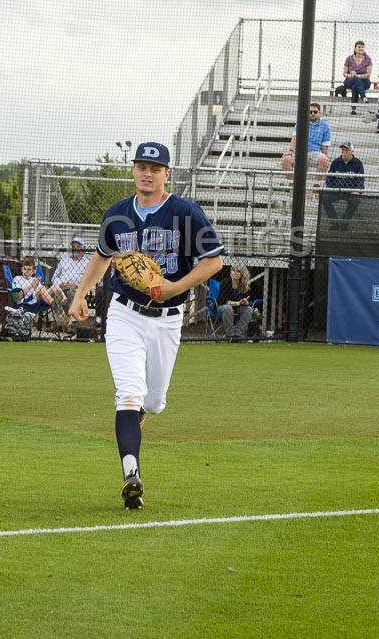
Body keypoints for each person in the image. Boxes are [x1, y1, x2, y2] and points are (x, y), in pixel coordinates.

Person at [67, 141, 224, 510]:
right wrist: (80, 294)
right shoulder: (117, 214)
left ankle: (138, 416)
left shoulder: (185, 213)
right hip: (123, 313)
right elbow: (102, 257)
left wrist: (174, 286)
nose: (147, 173)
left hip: (168, 319)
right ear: (133, 171)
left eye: (155, 168)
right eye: (141, 166)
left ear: (167, 173)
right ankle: (131, 474)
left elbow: (214, 262)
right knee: (128, 393)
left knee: (153, 403)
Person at [322, 140, 365, 226]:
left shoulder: (358, 163)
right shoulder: (336, 162)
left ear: (351, 151)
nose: (344, 152)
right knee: (325, 198)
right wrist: (332, 188)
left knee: (355, 200)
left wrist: (357, 190)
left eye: (346, 150)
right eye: (342, 150)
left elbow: (360, 180)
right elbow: (329, 178)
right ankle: (334, 222)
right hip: (337, 190)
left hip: (350, 191)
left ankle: (344, 222)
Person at [282, 102, 331, 174]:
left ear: (320, 113)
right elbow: (295, 138)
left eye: (315, 112)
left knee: (324, 160)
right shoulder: (300, 122)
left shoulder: (325, 126)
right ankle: (290, 183)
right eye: (310, 112)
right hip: (299, 153)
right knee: (286, 159)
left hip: (315, 153)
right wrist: (291, 151)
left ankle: (317, 184)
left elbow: (325, 146)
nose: (313, 113)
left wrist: (324, 157)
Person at [48, 236, 91, 314]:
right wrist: (60, 284)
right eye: (73, 247)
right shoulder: (65, 259)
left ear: (83, 249)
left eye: (78, 247)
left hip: (76, 288)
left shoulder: (87, 263)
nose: (75, 249)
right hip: (61, 288)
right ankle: (61, 319)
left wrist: (76, 285)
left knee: (72, 292)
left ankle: (67, 318)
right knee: (57, 294)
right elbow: (55, 277)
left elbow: (89, 280)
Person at [217, 264, 253, 342]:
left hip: (238, 309)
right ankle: (230, 335)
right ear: (230, 273)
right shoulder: (225, 283)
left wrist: (246, 302)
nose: (235, 273)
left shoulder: (245, 286)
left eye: (238, 271)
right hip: (223, 308)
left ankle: (237, 335)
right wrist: (238, 303)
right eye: (233, 270)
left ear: (242, 274)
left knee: (249, 309)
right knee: (228, 308)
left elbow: (247, 300)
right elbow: (222, 301)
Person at [341, 40, 373, 113]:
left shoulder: (368, 59)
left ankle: (353, 109)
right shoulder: (349, 59)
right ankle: (363, 97)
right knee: (355, 80)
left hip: (364, 81)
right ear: (355, 48)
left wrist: (357, 76)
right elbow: (344, 74)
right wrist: (351, 75)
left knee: (355, 86)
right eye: (359, 47)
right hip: (350, 80)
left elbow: (368, 74)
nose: (361, 48)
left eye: (362, 47)